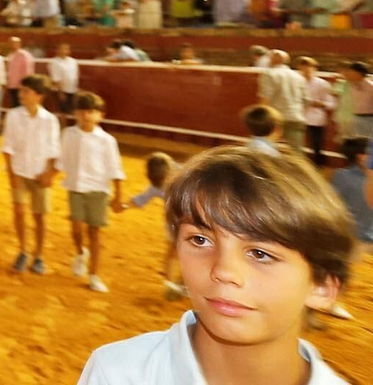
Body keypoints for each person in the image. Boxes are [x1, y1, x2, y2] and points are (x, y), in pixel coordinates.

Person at [78, 145, 354, 384]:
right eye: (200, 240)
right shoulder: (116, 374)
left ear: (322, 287)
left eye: (260, 254)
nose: (223, 271)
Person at [58, 92, 125, 293]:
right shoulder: (68, 134)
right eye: (82, 111)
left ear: (100, 115)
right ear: (76, 113)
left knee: (94, 232)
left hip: (98, 190)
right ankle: (81, 253)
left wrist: (118, 195)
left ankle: (94, 275)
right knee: (76, 229)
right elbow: (62, 159)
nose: (86, 116)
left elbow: (115, 168)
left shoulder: (107, 140)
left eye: (91, 112)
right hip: (75, 187)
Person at [3, 74, 60, 276]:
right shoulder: (13, 116)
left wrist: (49, 174)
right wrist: (11, 174)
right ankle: (23, 250)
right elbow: (7, 147)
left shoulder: (50, 121)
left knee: (39, 216)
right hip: (19, 171)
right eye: (22, 90)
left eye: (26, 91)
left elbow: (54, 150)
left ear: (39, 95)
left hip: (39, 173)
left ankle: (39, 255)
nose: (21, 94)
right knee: (19, 211)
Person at [127, 152, 185, 299]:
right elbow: (142, 198)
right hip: (175, 220)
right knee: (174, 250)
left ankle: (182, 283)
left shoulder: (188, 174)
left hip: (194, 220)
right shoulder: (156, 186)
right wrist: (124, 205)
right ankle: (171, 284)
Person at [258, 50, 307, 153]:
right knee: (296, 151)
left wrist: (260, 117)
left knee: (268, 150)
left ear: (273, 60)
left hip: (275, 117)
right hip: (295, 117)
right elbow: (306, 100)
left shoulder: (269, 74)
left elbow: (266, 97)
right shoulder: (298, 76)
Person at [297, 57, 336, 169]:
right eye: (303, 68)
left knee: (317, 144)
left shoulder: (322, 84)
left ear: (314, 68)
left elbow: (331, 104)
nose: (306, 70)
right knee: (298, 142)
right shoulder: (297, 82)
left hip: (316, 118)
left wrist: (317, 104)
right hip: (299, 115)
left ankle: (318, 165)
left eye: (309, 67)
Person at [49, 42, 80, 115]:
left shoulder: (73, 61)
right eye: (62, 49)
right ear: (57, 50)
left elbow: (75, 76)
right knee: (62, 113)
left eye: (66, 49)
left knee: (72, 111)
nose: (64, 51)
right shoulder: (54, 62)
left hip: (72, 90)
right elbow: (56, 78)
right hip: (61, 91)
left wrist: (76, 89)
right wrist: (61, 93)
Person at [5, 36, 35, 109]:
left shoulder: (24, 55)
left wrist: (25, 85)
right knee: (15, 106)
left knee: (21, 106)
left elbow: (28, 71)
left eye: (13, 43)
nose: (11, 45)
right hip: (12, 85)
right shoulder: (10, 55)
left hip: (21, 86)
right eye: (10, 43)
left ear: (18, 44)